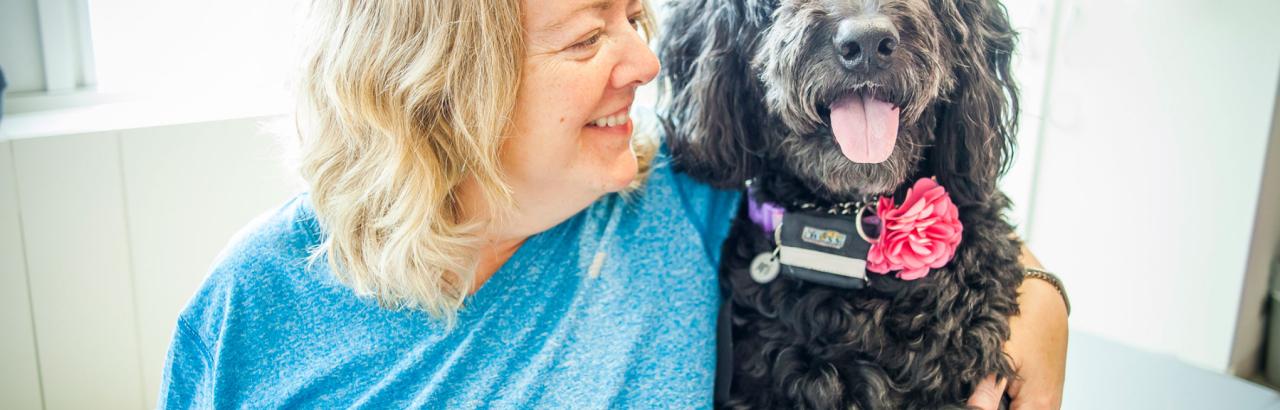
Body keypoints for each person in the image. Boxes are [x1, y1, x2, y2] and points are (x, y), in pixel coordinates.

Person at [158, 0, 1068, 408]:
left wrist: (1040, 301)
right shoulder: (255, 311)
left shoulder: (682, 194)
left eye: (636, 19)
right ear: (441, 83)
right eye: (590, 35)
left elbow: (882, 232)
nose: (643, 63)